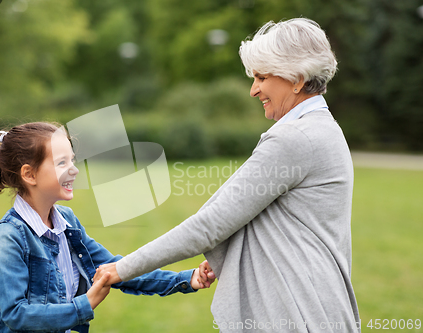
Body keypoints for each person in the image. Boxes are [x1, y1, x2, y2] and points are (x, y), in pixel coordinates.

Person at [96, 18, 361, 332]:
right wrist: (236, 252)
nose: (253, 90)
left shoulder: (294, 138)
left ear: (297, 79)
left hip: (298, 313)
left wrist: (123, 268)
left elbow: (210, 224)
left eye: (262, 77)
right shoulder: (323, 127)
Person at [0, 122, 211, 333]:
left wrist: (185, 279)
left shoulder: (67, 221)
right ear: (29, 174)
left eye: (72, 160)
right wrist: (86, 304)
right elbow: (16, 314)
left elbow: (114, 269)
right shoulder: (10, 237)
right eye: (62, 163)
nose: (74, 169)